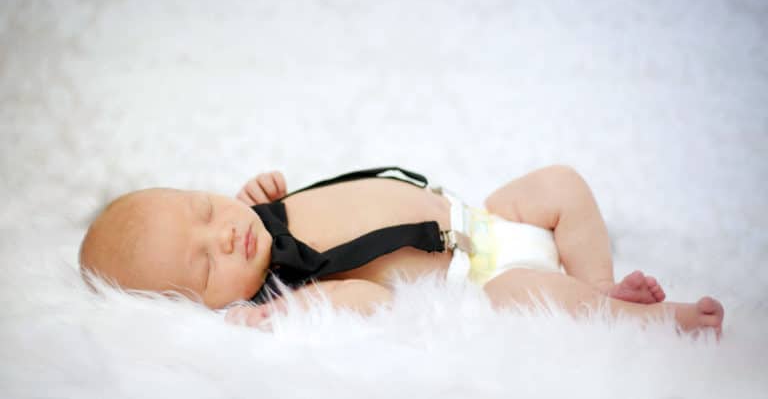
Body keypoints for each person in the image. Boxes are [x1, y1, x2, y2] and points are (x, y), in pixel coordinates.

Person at [78, 165, 724, 336]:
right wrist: (290, 313)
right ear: (203, 303)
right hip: (482, 274)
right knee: (527, 299)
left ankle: (599, 283)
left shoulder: (260, 213)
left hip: (489, 215)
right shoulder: (289, 281)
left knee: (560, 183)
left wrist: (266, 193)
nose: (222, 233)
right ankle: (649, 319)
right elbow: (371, 298)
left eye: (202, 209)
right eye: (204, 263)